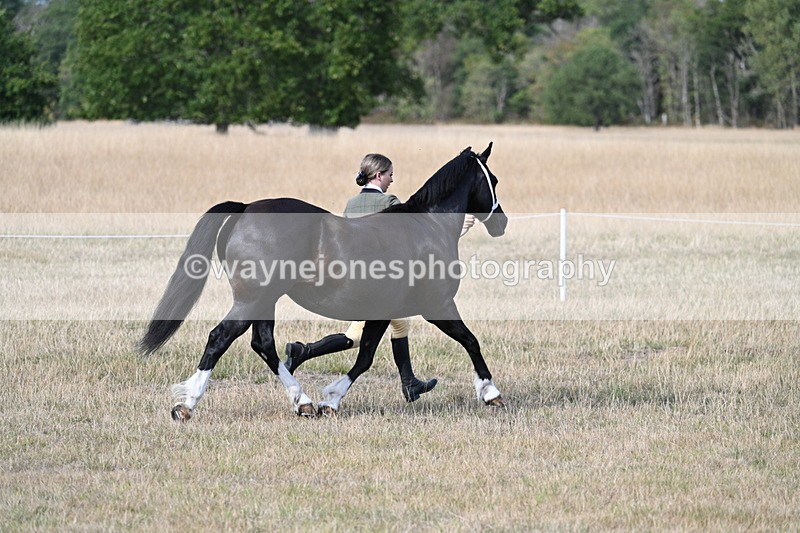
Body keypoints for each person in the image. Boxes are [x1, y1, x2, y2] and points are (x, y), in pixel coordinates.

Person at [285, 153, 461, 402]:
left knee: (395, 325)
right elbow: (414, 238)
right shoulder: (390, 202)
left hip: (355, 278)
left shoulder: (352, 203)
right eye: (390, 174)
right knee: (356, 336)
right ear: (379, 175)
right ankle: (303, 351)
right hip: (382, 281)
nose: (392, 179)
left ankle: (409, 382)